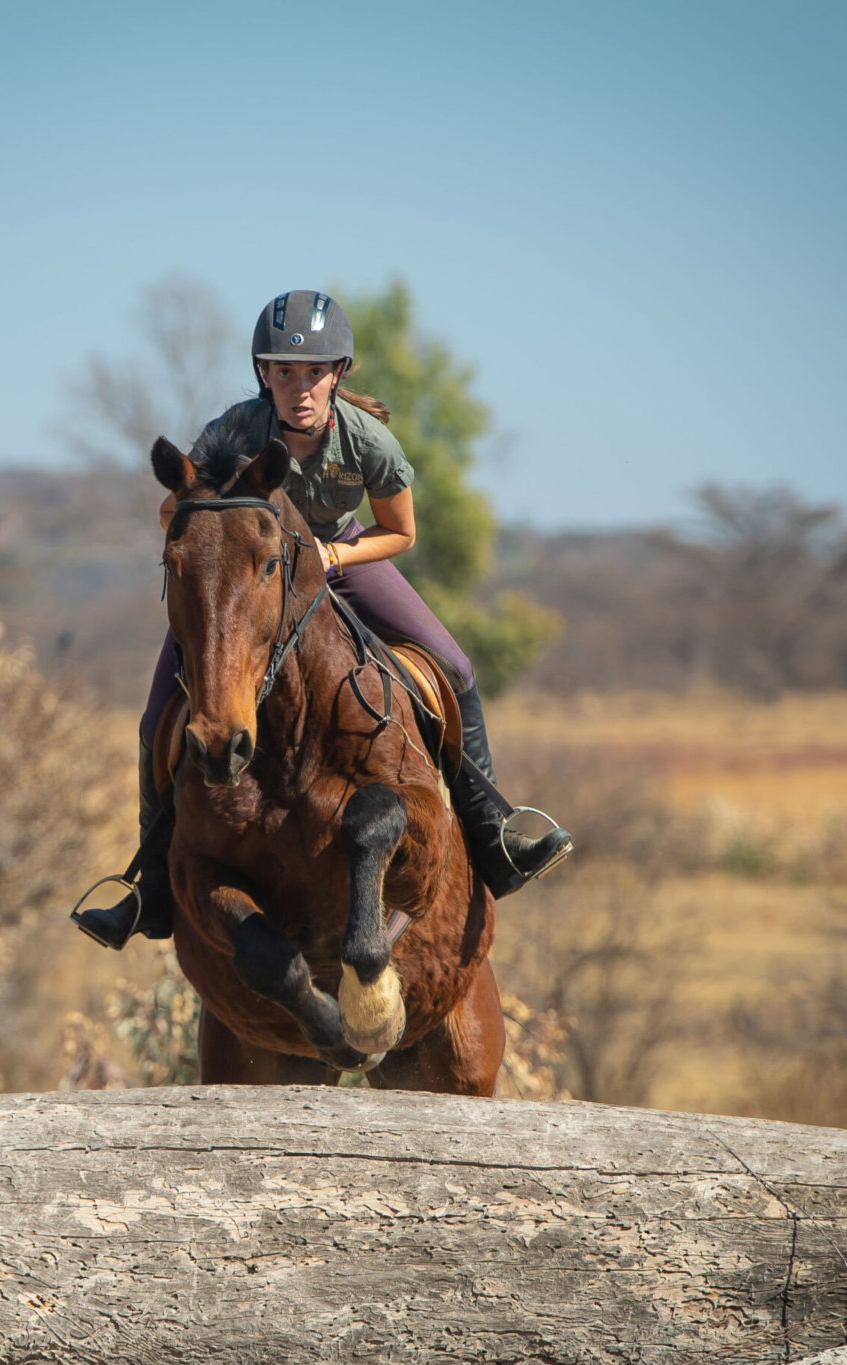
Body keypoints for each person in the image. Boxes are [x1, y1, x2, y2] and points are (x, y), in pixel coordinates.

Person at [74, 289, 571, 950]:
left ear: (338, 373)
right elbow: (183, 509)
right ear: (264, 375)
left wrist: (332, 553)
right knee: (154, 718)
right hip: (252, 576)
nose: (298, 387)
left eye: (313, 372)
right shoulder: (232, 431)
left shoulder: (366, 439)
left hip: (344, 555)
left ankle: (494, 833)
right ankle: (150, 888)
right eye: (284, 372)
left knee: (456, 666)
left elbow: (401, 532)